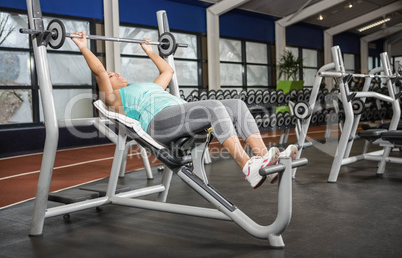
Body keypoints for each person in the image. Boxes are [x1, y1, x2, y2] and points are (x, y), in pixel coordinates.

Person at [72, 31, 297, 189]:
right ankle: (247, 166)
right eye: (113, 76)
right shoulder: (115, 99)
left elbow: (168, 71)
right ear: (107, 85)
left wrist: (149, 51)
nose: (117, 74)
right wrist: (83, 46)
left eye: (116, 72)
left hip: (180, 114)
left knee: (237, 104)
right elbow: (100, 72)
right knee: (214, 106)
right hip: (159, 124)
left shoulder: (148, 87)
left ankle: (263, 157)